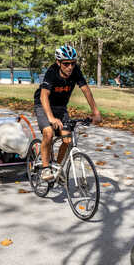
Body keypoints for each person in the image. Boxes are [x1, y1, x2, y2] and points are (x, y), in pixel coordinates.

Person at [34, 44, 102, 181]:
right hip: (43, 105)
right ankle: (45, 169)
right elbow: (43, 96)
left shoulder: (75, 71)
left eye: (72, 63)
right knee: (48, 133)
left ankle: (58, 169)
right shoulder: (52, 72)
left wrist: (95, 111)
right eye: (66, 64)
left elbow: (86, 90)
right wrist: (51, 118)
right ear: (58, 62)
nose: (70, 67)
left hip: (61, 107)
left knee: (67, 139)